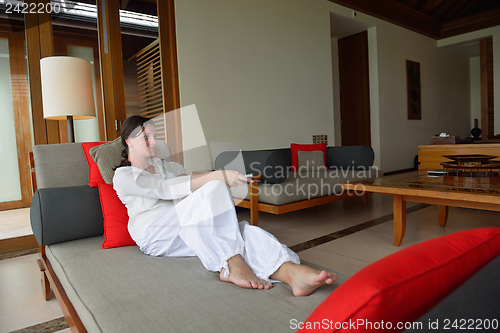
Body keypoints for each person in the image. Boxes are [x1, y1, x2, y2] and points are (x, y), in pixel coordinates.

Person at [113, 115, 337, 296]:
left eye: (154, 136)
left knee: (240, 231)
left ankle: (291, 273)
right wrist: (217, 177)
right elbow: (165, 188)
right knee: (215, 186)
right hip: (155, 234)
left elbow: (189, 182)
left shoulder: (166, 166)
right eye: (146, 137)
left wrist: (228, 176)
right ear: (128, 141)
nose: (153, 142)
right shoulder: (123, 175)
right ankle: (233, 262)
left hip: (187, 227)